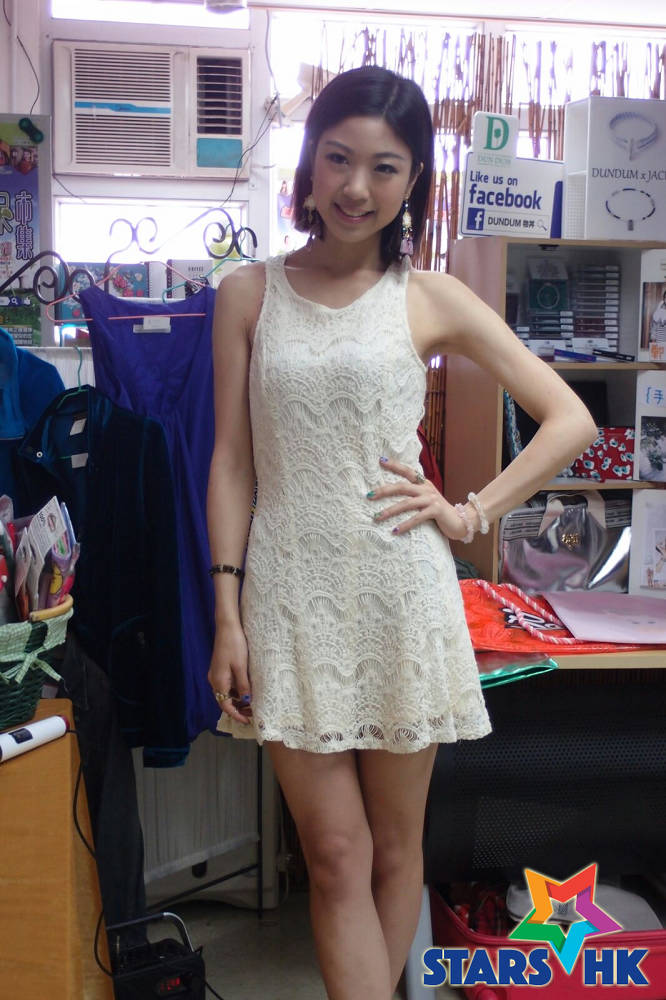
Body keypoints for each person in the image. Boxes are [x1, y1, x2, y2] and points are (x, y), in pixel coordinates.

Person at [207, 65, 596, 1000]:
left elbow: (571, 419)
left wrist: (468, 513)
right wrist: (226, 610)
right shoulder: (249, 293)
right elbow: (231, 462)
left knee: (393, 849)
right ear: (309, 163)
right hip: (288, 596)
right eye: (338, 159)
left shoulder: (429, 296)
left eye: (384, 168)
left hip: (399, 594)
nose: (356, 187)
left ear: (414, 179)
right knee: (333, 854)